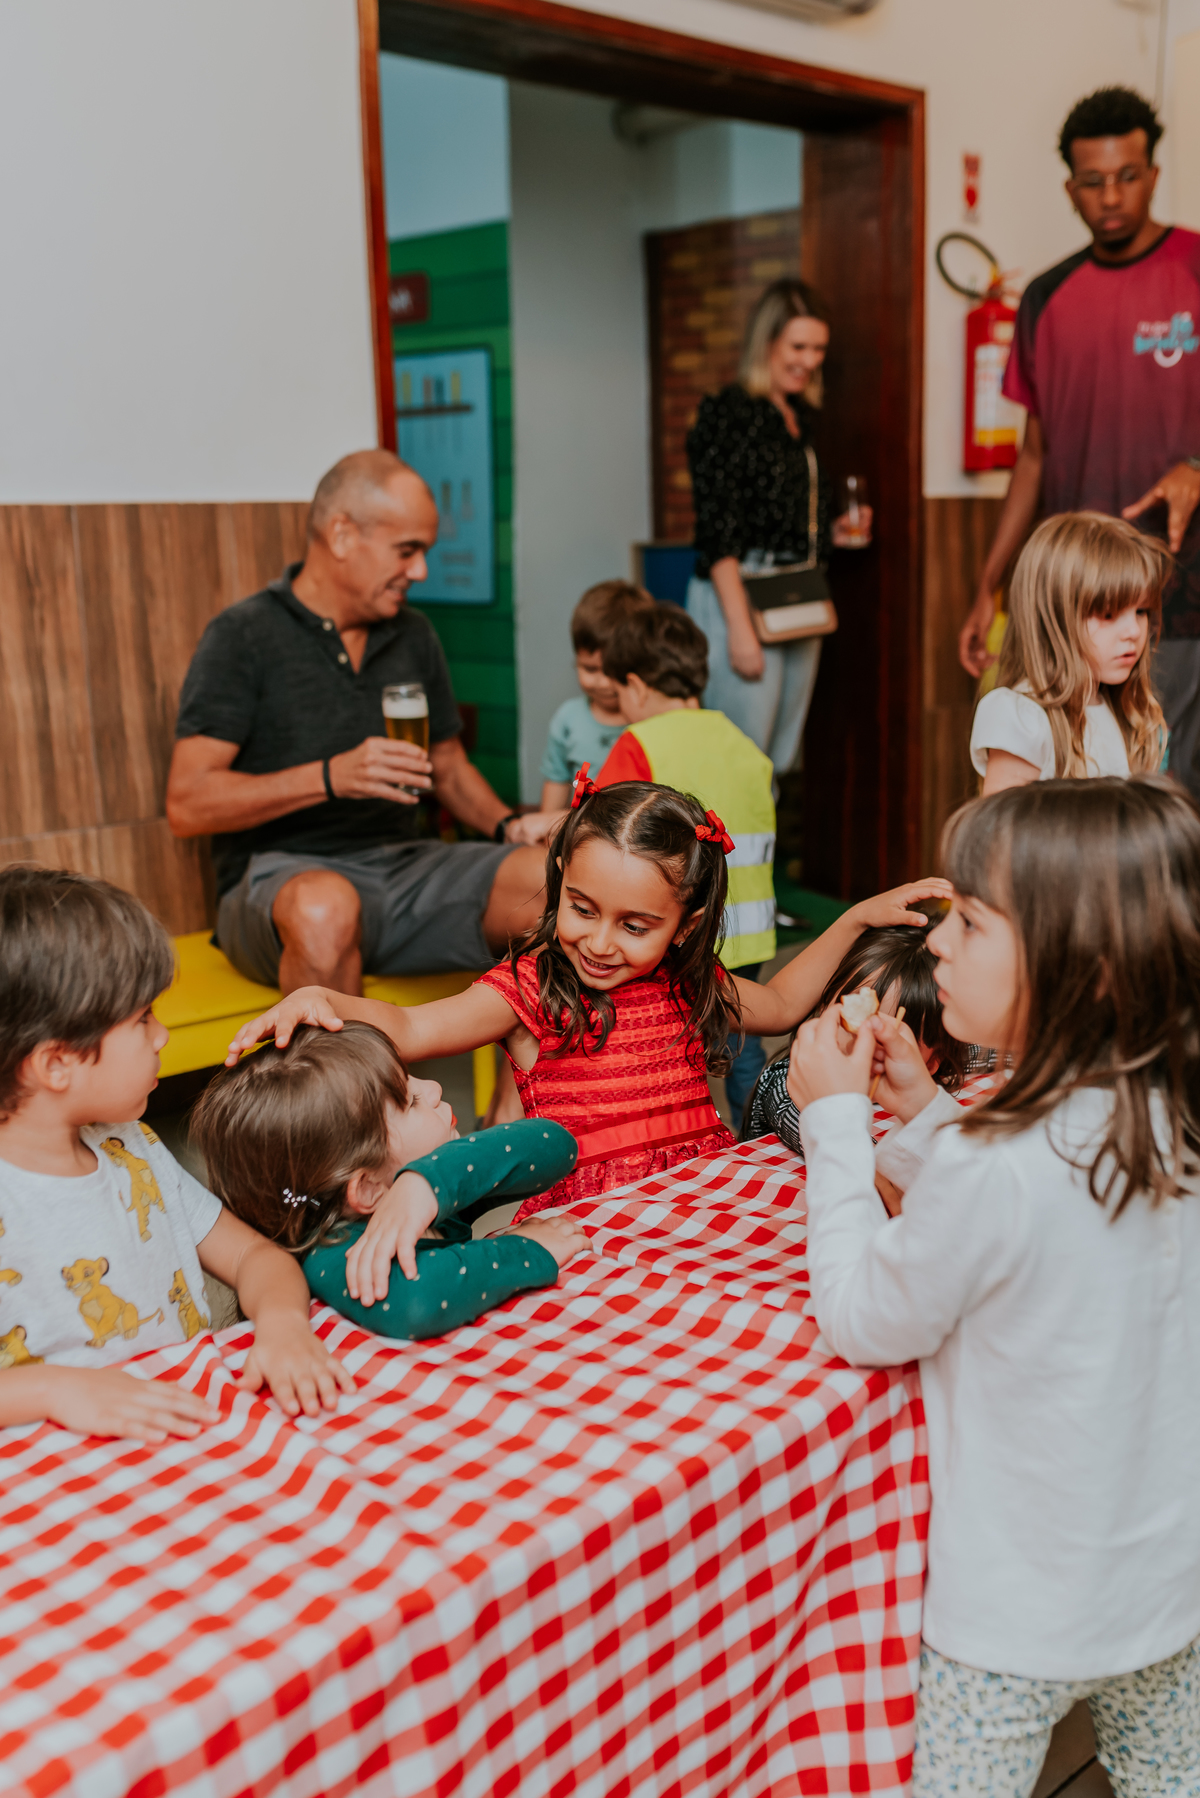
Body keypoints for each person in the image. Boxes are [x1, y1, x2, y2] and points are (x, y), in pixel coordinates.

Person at [788, 777, 1200, 1797]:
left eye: (971, 921)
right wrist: (926, 1105)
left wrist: (837, 1125)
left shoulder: (993, 1160)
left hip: (1014, 1617)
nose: (936, 942)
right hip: (1165, 1591)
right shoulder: (1166, 1115)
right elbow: (1043, 1221)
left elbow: (861, 1318)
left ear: (1080, 966)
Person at [224, 778, 948, 1222]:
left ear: (685, 924)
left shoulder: (687, 980)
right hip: (600, 1224)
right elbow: (412, 1028)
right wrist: (320, 994)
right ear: (562, 875)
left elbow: (787, 1001)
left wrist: (853, 919)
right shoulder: (535, 987)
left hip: (699, 1202)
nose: (599, 942)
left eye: (635, 926)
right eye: (581, 907)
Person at [167, 449, 550, 998]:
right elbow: (187, 804)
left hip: (405, 868)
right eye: (407, 550)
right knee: (325, 907)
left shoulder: (413, 634)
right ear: (342, 535)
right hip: (280, 881)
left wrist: (509, 825)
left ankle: (525, 1090)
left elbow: (447, 765)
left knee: (562, 885)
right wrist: (330, 776)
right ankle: (350, 1088)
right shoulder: (242, 636)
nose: (420, 571)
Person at [0, 865, 355, 1441]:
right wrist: (55, 1388)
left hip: (181, 1439)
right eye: (143, 1019)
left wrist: (284, 1323)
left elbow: (254, 1259)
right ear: (55, 1063)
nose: (161, 1035)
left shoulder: (132, 1149)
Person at [958, 86, 1200, 800]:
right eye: (1093, 182)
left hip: (1176, 595)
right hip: (1069, 600)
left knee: (1166, 796)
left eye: (1128, 176)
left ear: (1153, 174)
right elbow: (1034, 456)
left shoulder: (1194, 266)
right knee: (1063, 795)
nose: (1112, 195)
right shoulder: (1046, 298)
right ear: (1071, 188)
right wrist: (986, 584)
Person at [190, 1022, 588, 1340]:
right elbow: (417, 1299)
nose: (434, 1089)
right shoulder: (331, 1253)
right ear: (365, 1189)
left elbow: (555, 1147)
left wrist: (426, 1183)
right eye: (410, 1101)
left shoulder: (412, 1193)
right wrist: (527, 1250)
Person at [593, 602, 777, 1118]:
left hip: (682, 931)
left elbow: (602, 832)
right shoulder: (744, 744)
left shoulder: (639, 743)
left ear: (637, 685)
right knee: (744, 1047)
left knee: (671, 1040)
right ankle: (763, 1135)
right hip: (750, 930)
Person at [685, 278, 870, 773]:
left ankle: (758, 853)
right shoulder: (728, 412)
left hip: (797, 595)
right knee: (736, 763)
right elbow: (718, 530)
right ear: (766, 342)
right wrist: (740, 631)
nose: (809, 360)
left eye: (818, 349)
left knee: (777, 762)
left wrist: (832, 534)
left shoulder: (796, 418)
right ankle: (724, 854)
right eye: (798, 346)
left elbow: (775, 519)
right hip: (740, 596)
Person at [970, 512, 1168, 794]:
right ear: (1054, 619)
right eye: (1108, 614)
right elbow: (1005, 833)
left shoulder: (1124, 713)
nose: (1134, 631)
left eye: (1141, 611)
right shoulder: (1022, 716)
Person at [742, 919, 969, 1160]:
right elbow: (806, 1118)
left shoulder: (931, 1071)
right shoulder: (788, 1082)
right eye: (850, 1017)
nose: (862, 1041)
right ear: (823, 1004)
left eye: (891, 1036)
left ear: (933, 1060)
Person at [539, 579, 656, 811]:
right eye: (590, 669)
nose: (603, 682)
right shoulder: (568, 720)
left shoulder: (655, 722)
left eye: (615, 671)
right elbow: (556, 784)